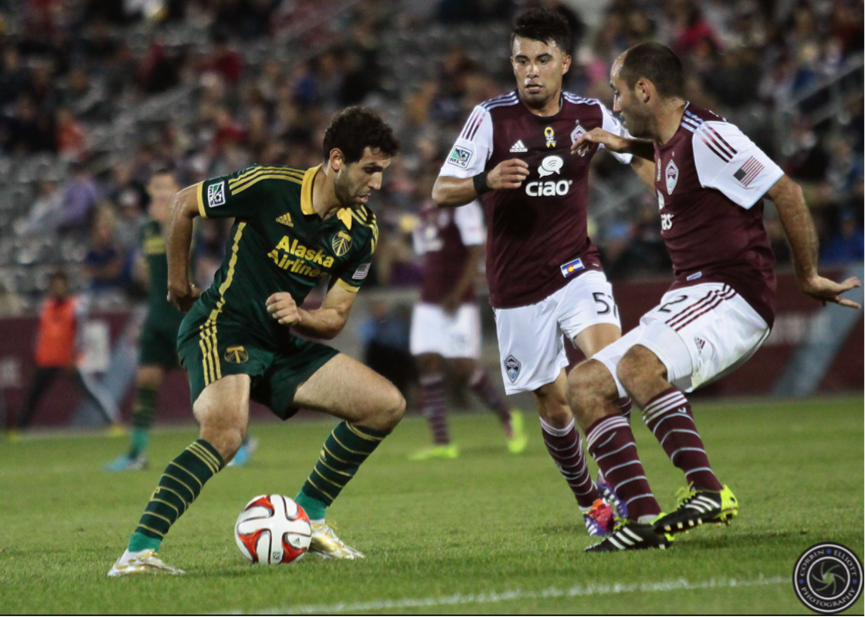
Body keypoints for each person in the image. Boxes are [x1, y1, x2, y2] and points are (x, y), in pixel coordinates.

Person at [568, 42, 861, 552]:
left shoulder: (711, 137)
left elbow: (785, 191)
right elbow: (662, 163)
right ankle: (640, 522)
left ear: (645, 90)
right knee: (586, 384)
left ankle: (708, 491)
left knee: (639, 367)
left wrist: (808, 276)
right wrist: (617, 143)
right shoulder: (666, 139)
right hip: (689, 293)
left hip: (732, 291)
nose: (614, 104)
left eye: (617, 93)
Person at [108, 106, 403, 576]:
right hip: (223, 326)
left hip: (280, 340)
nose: (378, 184)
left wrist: (302, 317)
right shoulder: (269, 186)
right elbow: (183, 203)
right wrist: (178, 286)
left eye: (383, 172)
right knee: (226, 433)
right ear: (336, 161)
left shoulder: (361, 233)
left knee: (385, 405)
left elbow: (335, 318)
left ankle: (310, 519)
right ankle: (137, 553)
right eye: (370, 170)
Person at [432, 8, 646, 536]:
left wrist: (638, 158)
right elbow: (442, 190)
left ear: (565, 63)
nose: (531, 70)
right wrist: (486, 180)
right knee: (554, 406)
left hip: (577, 268)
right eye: (521, 59)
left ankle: (627, 490)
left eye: (543, 59)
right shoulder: (490, 118)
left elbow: (642, 156)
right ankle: (590, 502)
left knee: (606, 373)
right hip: (515, 287)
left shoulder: (589, 111)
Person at [105, 167, 256, 471]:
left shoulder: (188, 219)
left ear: (177, 190)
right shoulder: (146, 228)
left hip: (183, 318)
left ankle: (241, 439)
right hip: (156, 319)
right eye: (156, 186)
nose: (161, 192)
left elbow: (187, 252)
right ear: (149, 190)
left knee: (203, 387)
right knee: (146, 381)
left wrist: (166, 221)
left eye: (167, 187)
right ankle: (137, 453)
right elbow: (150, 270)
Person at [409, 196, 527, 460]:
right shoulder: (425, 210)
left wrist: (458, 291)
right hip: (429, 300)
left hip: (457, 300)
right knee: (427, 362)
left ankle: (508, 416)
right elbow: (425, 253)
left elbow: (475, 250)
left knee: (462, 364)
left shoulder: (462, 206)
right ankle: (442, 442)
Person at [11, 270, 120, 436]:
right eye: (55, 286)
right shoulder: (46, 307)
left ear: (66, 287)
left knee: (91, 391)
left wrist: (75, 355)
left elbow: (81, 333)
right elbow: (41, 335)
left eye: (61, 285)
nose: (57, 289)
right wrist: (36, 359)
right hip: (47, 359)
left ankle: (113, 422)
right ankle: (19, 429)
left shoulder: (76, 306)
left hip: (68, 359)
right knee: (33, 395)